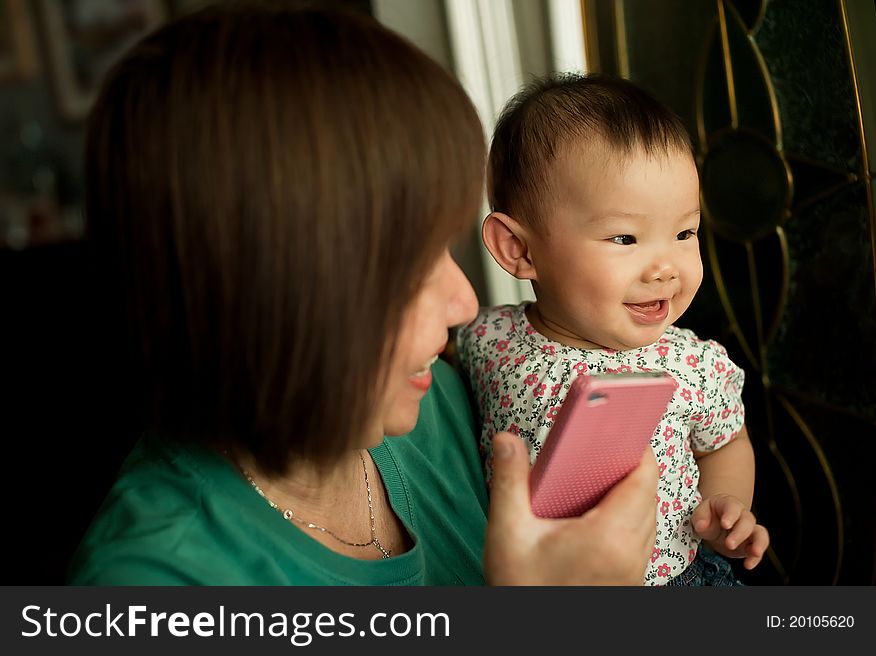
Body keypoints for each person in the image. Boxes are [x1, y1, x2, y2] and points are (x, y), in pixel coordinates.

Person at [67, 2, 659, 586]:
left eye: (445, 250)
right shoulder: (157, 583)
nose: (464, 305)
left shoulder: (438, 400)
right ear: (272, 288)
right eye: (407, 271)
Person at [457, 73, 770, 586]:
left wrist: (726, 504)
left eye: (684, 232)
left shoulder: (692, 365)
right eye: (625, 237)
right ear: (520, 249)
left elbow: (726, 442)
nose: (666, 267)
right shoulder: (488, 339)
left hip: (680, 583)